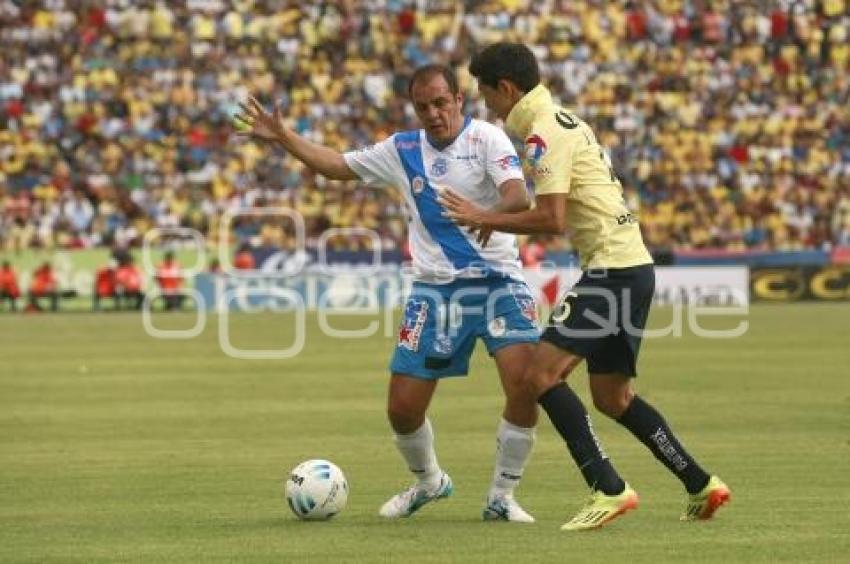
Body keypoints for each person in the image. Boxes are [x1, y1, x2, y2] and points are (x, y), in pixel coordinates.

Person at [440, 42, 730, 530]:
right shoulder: (563, 120)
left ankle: (608, 488)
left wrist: (483, 215)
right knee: (612, 397)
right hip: (632, 266)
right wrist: (499, 217)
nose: (486, 105)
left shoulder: (543, 132)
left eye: (487, 94)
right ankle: (701, 483)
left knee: (537, 376)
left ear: (506, 89)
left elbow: (552, 218)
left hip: (612, 272)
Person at [235, 64, 541, 522]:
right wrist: (284, 138)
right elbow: (339, 166)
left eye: (441, 102)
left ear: (459, 99)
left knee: (525, 386)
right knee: (402, 409)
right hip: (435, 290)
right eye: (423, 106)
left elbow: (519, 198)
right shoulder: (401, 149)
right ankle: (429, 481)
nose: (433, 113)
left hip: (499, 281)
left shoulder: (487, 139)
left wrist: (482, 214)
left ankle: (501, 496)